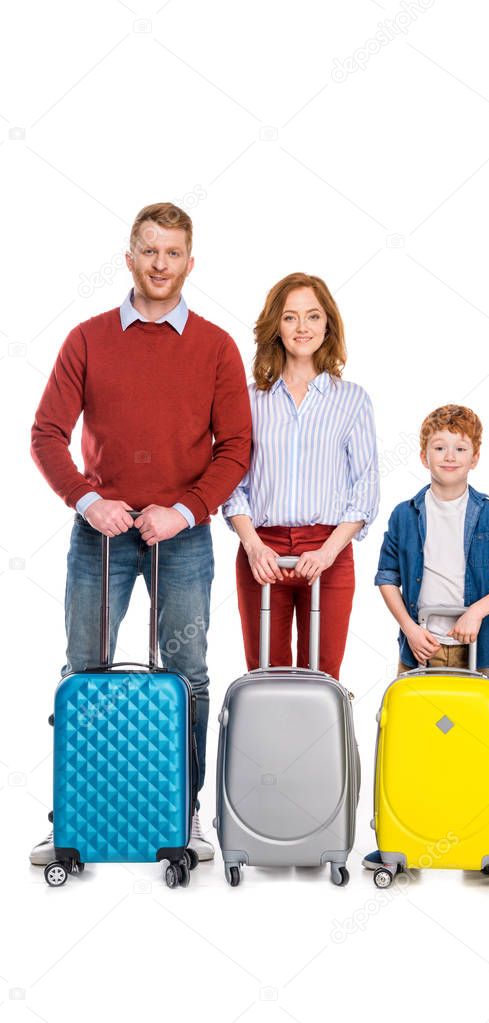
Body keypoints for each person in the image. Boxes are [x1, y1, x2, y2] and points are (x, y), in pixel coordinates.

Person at [29, 202, 252, 864]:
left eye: (173, 252)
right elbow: (46, 435)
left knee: (185, 672)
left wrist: (182, 510)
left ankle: (183, 815)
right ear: (129, 257)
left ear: (190, 261)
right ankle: (73, 812)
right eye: (148, 251)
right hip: (101, 532)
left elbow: (236, 448)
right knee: (84, 669)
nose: (160, 264)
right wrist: (87, 498)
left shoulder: (214, 345)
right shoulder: (88, 338)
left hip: (180, 534)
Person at [363, 403, 489, 868]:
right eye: (440, 447)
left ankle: (471, 831)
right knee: (411, 740)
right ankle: (407, 829)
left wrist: (477, 612)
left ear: (475, 457)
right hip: (419, 647)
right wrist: (409, 628)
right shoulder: (405, 513)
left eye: (460, 448)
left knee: (468, 747)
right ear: (424, 455)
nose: (450, 455)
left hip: (470, 651)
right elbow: (386, 577)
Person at [223, 272, 379, 679]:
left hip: (328, 549)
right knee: (264, 675)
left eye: (312, 316)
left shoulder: (352, 400)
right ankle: (266, 745)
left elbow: (365, 488)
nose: (302, 327)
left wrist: (327, 552)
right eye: (290, 317)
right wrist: (254, 546)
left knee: (322, 676)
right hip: (263, 551)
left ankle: (321, 744)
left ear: (327, 323)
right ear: (276, 325)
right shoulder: (250, 399)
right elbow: (232, 481)